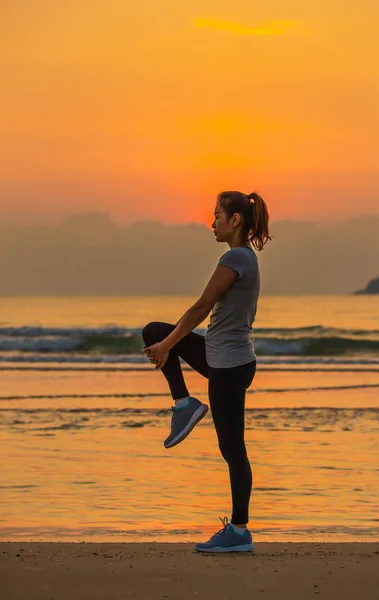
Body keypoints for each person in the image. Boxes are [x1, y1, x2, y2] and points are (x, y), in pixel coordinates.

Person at [141, 190, 271, 552]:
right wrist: (166, 341)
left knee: (233, 450)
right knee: (153, 329)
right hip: (223, 357)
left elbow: (201, 307)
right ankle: (185, 406)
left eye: (216, 216)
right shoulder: (241, 257)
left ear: (235, 221)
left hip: (229, 366)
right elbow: (202, 312)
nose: (210, 222)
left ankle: (240, 532)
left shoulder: (237, 258)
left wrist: (168, 347)